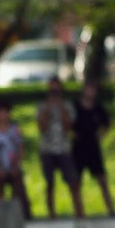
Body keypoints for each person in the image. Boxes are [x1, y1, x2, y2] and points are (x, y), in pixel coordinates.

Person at [70, 82, 115, 216]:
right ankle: (79, 212)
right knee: (77, 181)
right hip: (78, 147)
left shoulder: (98, 108)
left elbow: (107, 123)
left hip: (93, 147)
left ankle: (111, 209)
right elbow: (67, 123)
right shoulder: (76, 107)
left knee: (102, 179)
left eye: (93, 89)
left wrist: (101, 134)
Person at [36, 78, 77, 218]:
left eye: (57, 90)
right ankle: (51, 213)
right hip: (47, 149)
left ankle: (79, 211)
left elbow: (68, 128)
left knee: (72, 181)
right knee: (50, 183)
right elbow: (41, 128)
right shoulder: (42, 106)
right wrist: (48, 109)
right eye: (52, 90)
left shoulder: (67, 106)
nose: (54, 92)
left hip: (64, 149)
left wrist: (61, 108)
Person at [0, 100, 30, 215]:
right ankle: (0, 217)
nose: (3, 115)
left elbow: (20, 149)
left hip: (13, 167)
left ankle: (22, 215)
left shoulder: (15, 130)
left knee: (19, 194)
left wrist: (16, 166)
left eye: (5, 112)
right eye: (0, 112)